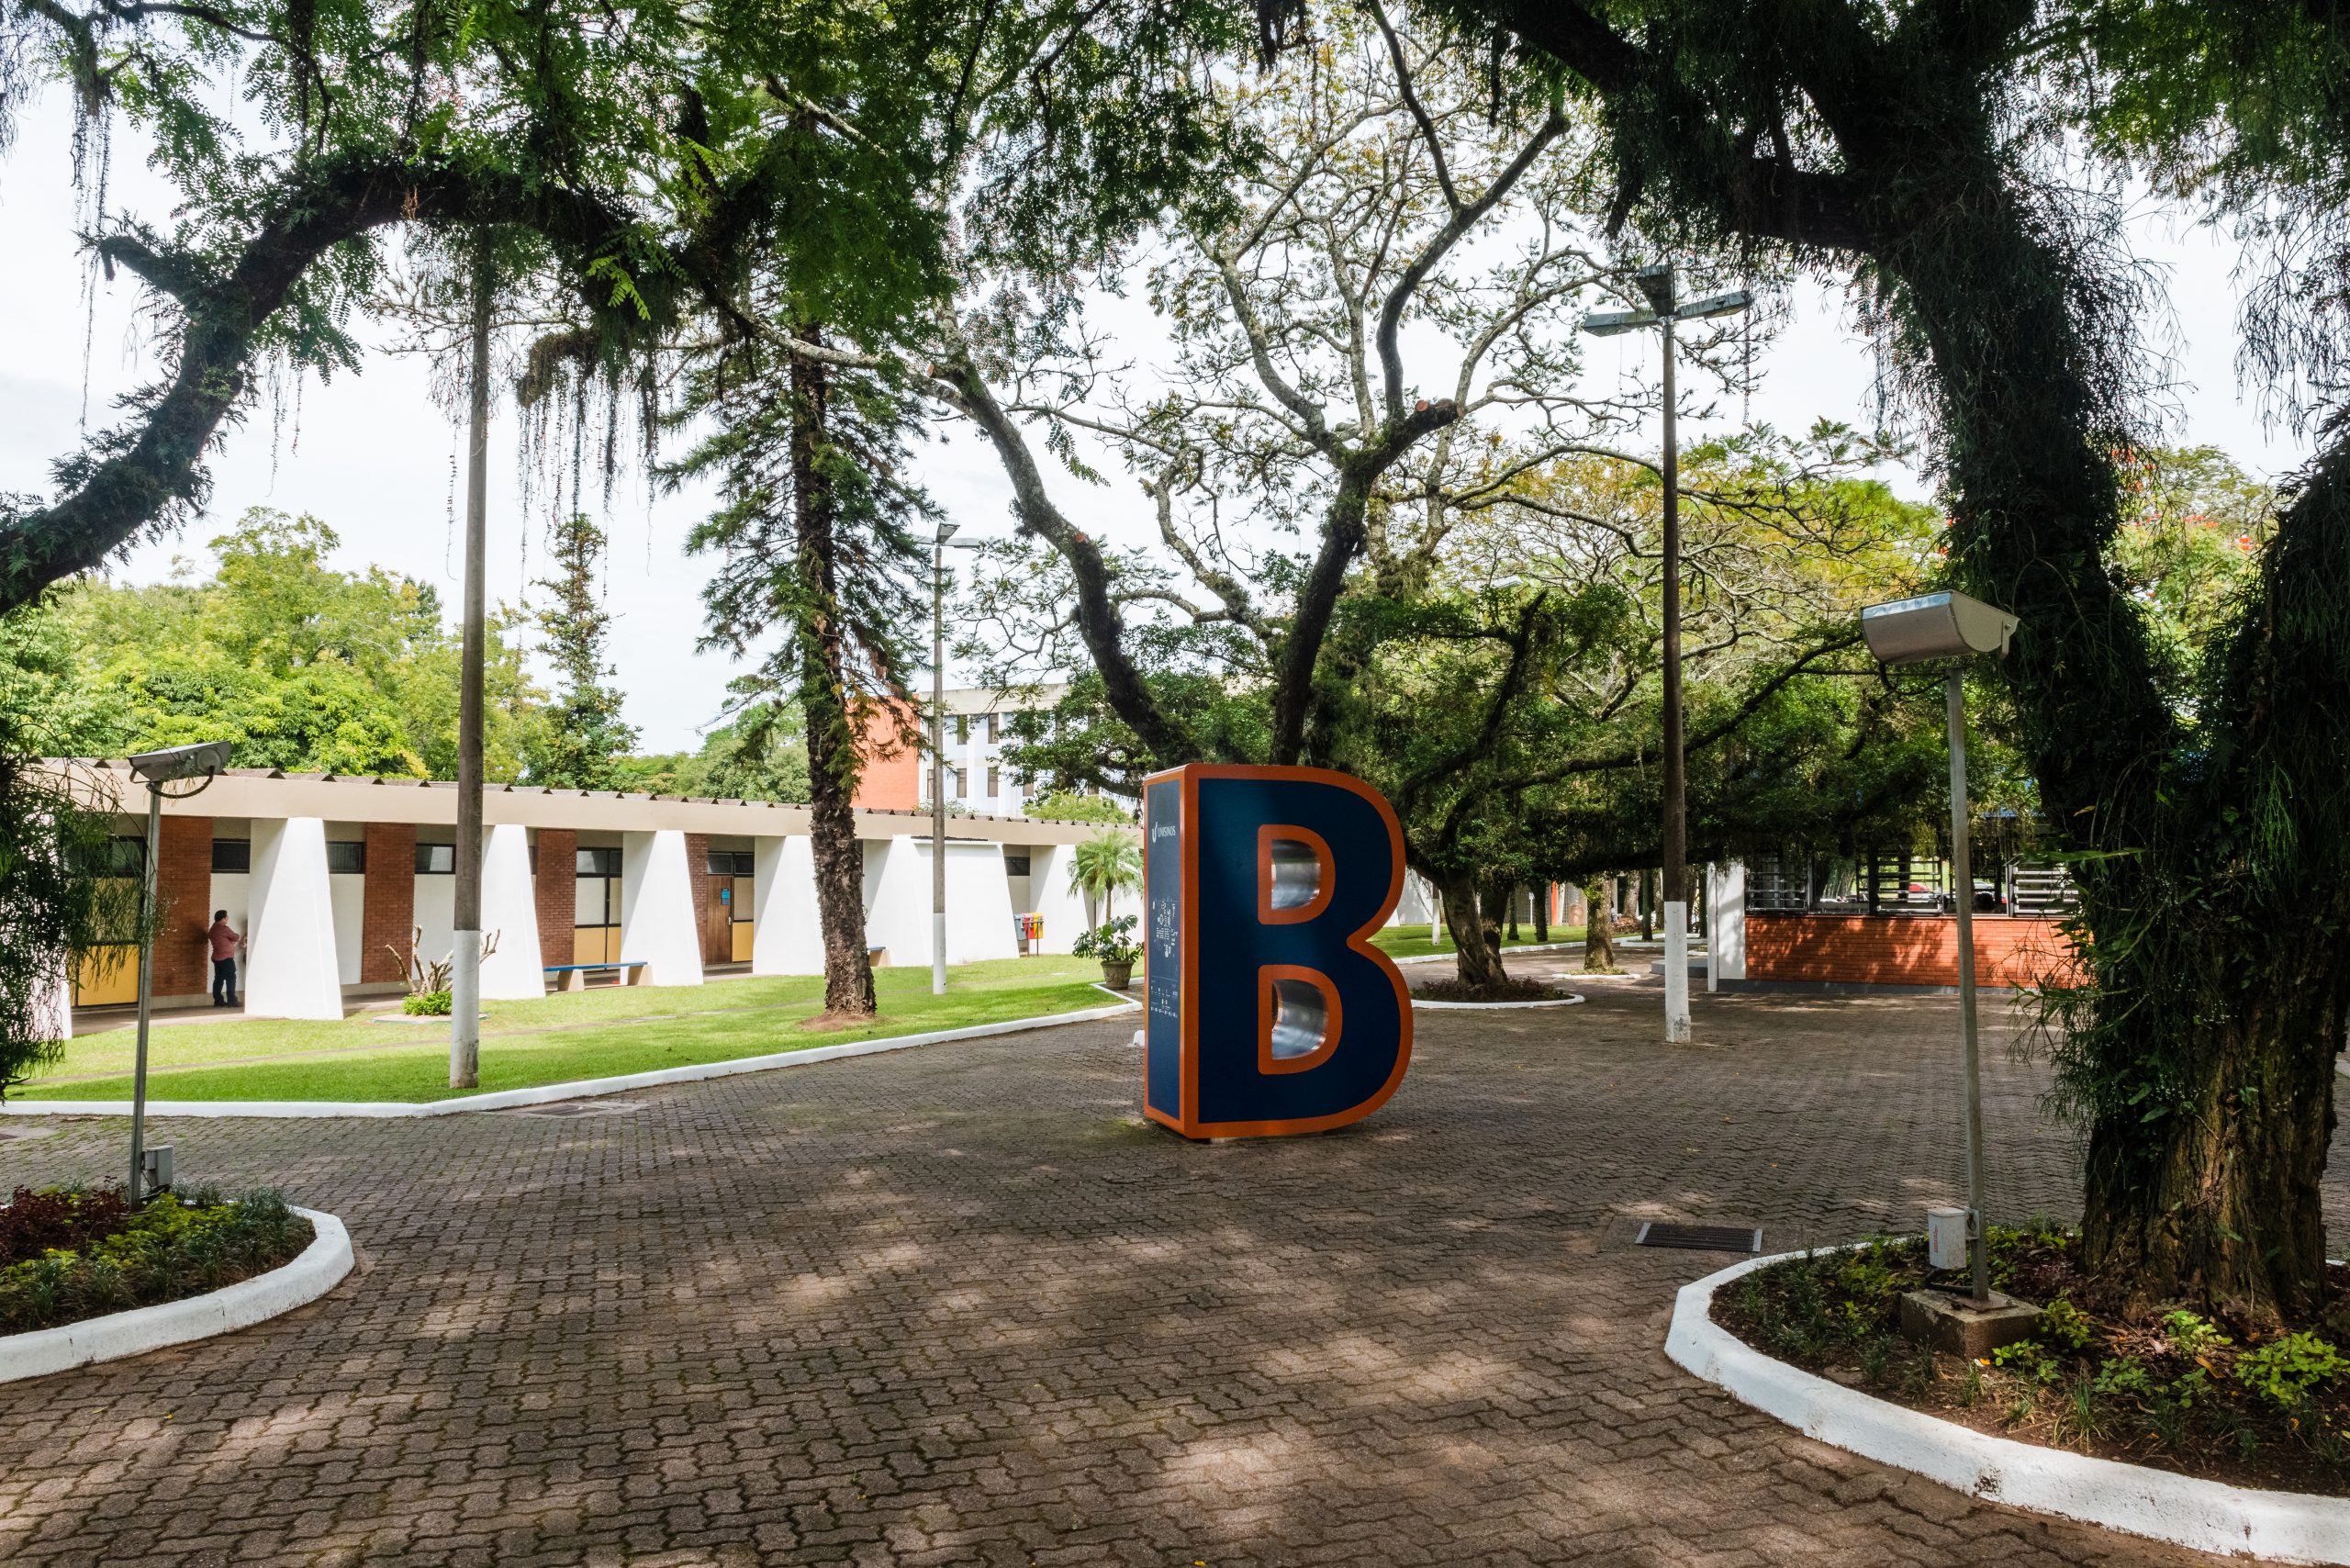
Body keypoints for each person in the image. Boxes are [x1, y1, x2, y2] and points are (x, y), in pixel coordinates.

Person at [206, 909, 241, 1007]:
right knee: (231, 978)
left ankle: (218, 1001)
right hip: (226, 958)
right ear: (222, 919)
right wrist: (234, 938)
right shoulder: (223, 928)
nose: (228, 919)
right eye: (227, 917)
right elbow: (235, 937)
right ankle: (232, 1001)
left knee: (218, 979)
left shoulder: (213, 929)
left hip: (217, 958)